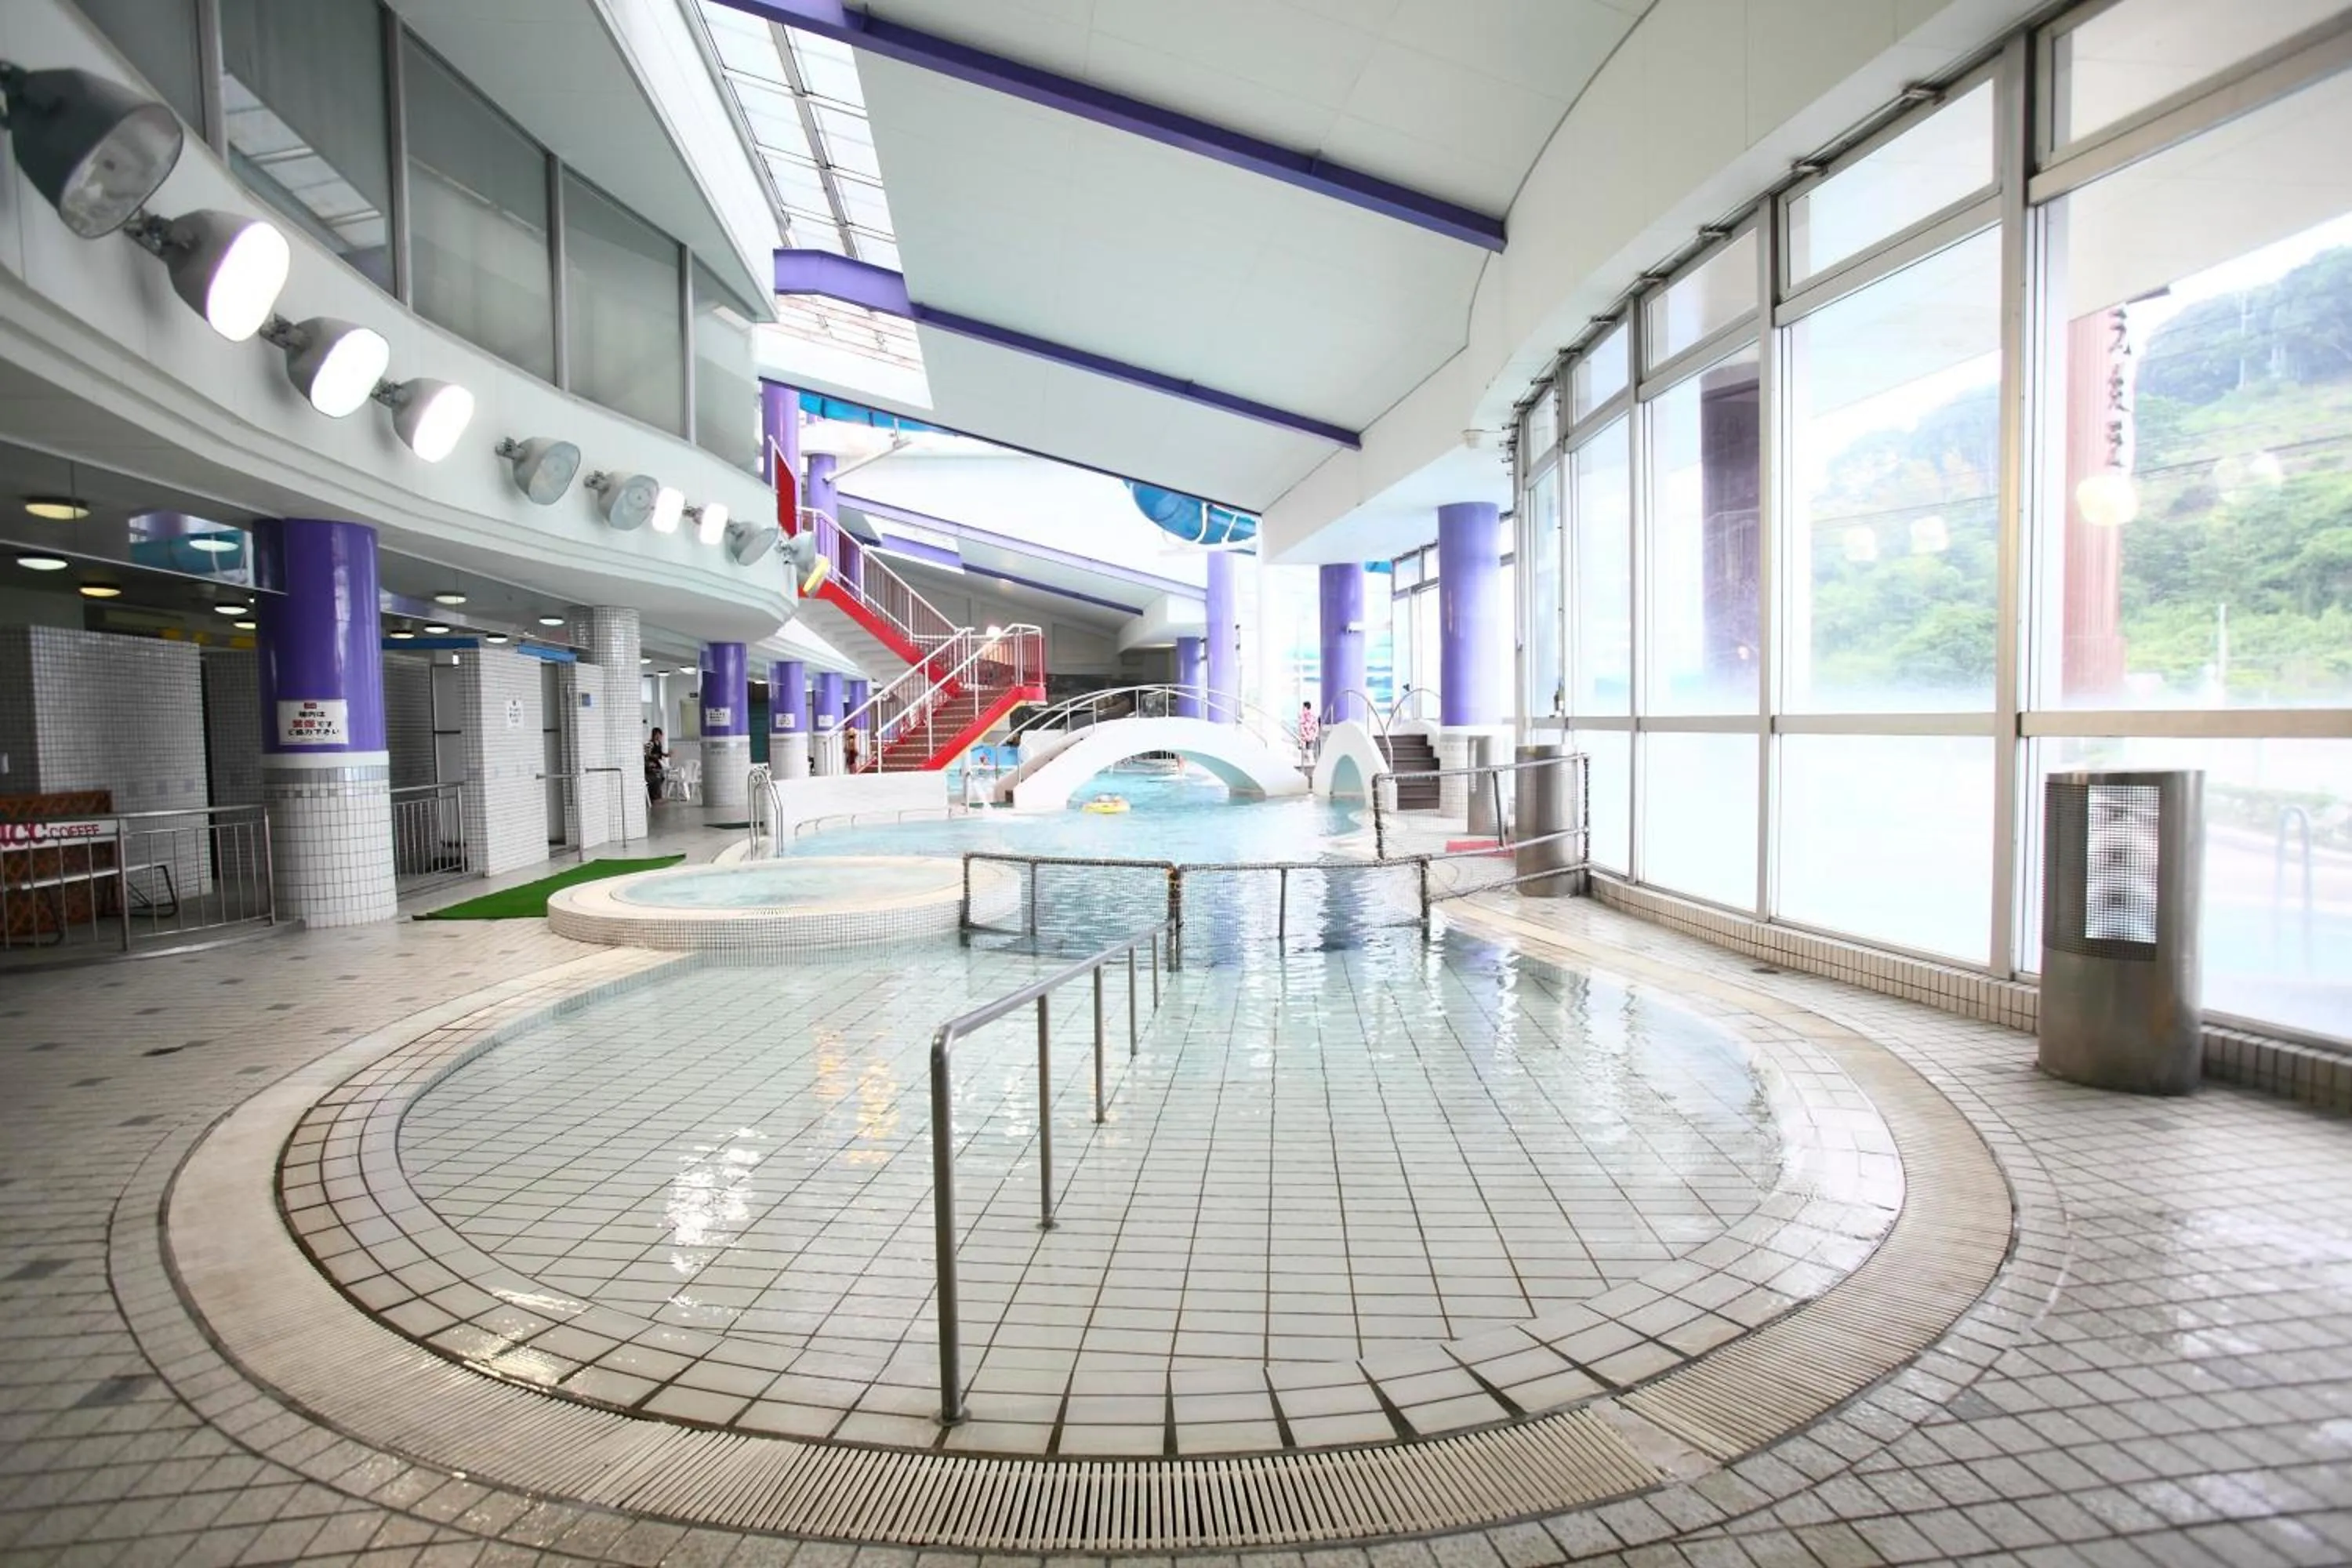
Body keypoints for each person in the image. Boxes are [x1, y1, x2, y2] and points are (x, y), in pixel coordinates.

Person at [643, 727, 668, 806]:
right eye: (658, 735)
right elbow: (646, 754)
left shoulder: (659, 744)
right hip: (650, 765)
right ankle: (655, 798)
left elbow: (660, 753)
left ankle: (655, 796)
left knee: (662, 777)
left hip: (657, 764)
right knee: (656, 778)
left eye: (660, 735)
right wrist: (653, 757)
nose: (659, 737)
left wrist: (666, 755)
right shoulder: (650, 744)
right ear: (654, 735)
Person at [1297, 702, 1319, 767]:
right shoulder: (1304, 716)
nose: (1303, 709)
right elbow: (1302, 727)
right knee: (1306, 752)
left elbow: (1315, 727)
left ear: (1306, 707)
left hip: (1309, 737)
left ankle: (1310, 765)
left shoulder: (1311, 716)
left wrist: (1312, 736)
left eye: (1303, 707)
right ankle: (1309, 765)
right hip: (1307, 737)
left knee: (1309, 752)